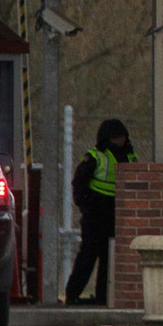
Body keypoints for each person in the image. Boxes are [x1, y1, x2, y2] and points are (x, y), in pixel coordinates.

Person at [65, 118, 138, 305]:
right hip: (95, 215)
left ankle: (103, 298)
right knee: (88, 255)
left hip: (116, 215)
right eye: (117, 137)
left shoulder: (130, 156)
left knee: (108, 259)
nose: (120, 140)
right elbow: (79, 184)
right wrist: (86, 207)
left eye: (122, 137)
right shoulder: (95, 156)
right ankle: (72, 295)